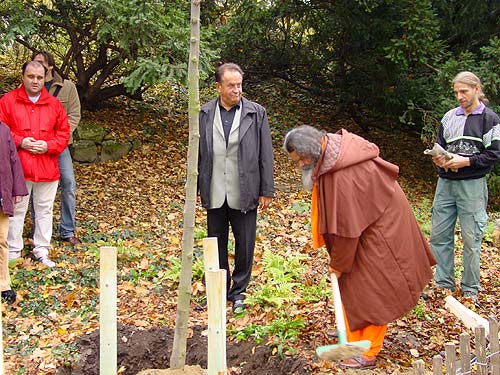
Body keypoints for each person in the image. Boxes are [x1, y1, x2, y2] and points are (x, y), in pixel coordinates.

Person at [283, 125, 436, 369]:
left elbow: (346, 229)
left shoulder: (341, 173)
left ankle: (366, 351)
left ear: (313, 149)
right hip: (368, 225)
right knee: (354, 284)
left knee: (374, 289)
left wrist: (338, 264)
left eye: (301, 159)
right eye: (296, 161)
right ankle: (352, 331)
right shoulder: (330, 153)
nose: (300, 165)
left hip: (381, 233)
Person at [198, 63, 275, 312]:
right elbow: (199, 153)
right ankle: (219, 291)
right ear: (218, 87)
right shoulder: (205, 113)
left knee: (245, 244)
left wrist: (266, 189)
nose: (236, 90)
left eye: (239, 85)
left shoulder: (256, 113)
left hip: (246, 189)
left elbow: (266, 154)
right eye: (231, 85)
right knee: (216, 243)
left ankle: (239, 292)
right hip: (215, 191)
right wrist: (198, 186)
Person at [429, 71, 500, 303]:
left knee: (471, 239)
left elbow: (494, 154)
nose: (459, 96)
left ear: (477, 89)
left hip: (472, 186)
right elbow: (439, 145)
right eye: (456, 92)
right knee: (439, 235)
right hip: (445, 184)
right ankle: (443, 284)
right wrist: (438, 158)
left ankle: (470, 289)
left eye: (464, 91)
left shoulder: (490, 119)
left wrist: (466, 161)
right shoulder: (449, 117)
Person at [0, 61, 70, 267]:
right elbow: (2, 132)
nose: (35, 81)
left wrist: (48, 146)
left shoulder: (54, 104)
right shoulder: (8, 101)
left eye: (39, 77)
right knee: (16, 210)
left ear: (45, 78)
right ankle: (13, 251)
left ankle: (41, 249)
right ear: (23, 77)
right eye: (31, 76)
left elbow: (64, 133)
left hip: (47, 167)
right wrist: (20, 141)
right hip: (18, 168)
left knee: (44, 210)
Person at [32, 51, 82, 245]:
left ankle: (67, 230)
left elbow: (74, 115)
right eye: (34, 63)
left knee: (68, 183)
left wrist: (59, 137)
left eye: (42, 63)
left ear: (50, 66)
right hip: (36, 147)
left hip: (60, 146)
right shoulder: (30, 86)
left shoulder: (66, 87)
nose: (38, 67)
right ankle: (38, 231)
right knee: (36, 186)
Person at [0, 122, 29, 303]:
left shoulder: (3, 129)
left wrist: (17, 189)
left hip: (1, 195)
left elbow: (13, 159)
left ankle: (3, 285)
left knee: (1, 240)